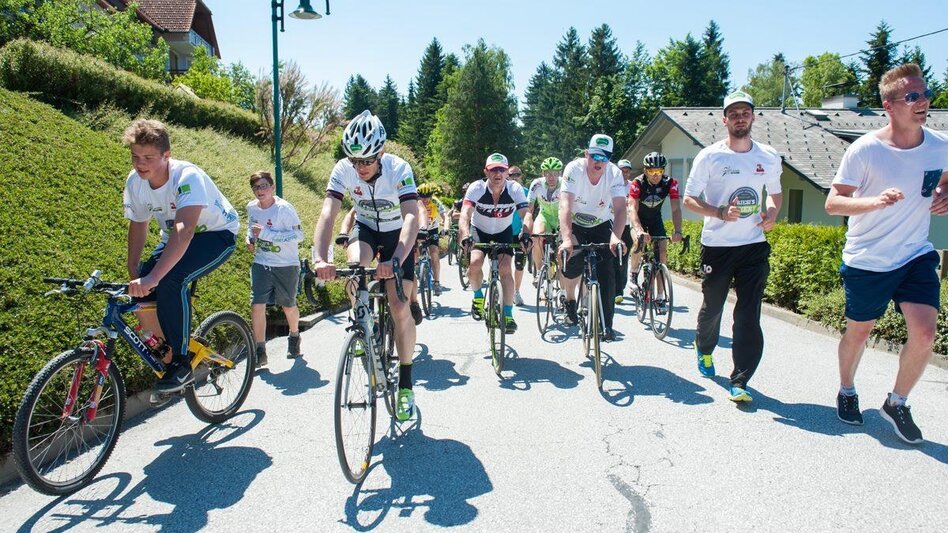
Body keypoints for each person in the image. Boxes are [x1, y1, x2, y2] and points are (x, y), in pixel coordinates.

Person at [824, 63, 948, 444]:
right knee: (859, 332)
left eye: (925, 94)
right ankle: (847, 389)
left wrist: (946, 194)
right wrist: (875, 202)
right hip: (868, 259)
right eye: (912, 96)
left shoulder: (940, 145)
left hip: (915, 254)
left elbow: (944, 180)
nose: (923, 101)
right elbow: (833, 202)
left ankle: (897, 402)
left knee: (925, 333)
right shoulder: (866, 150)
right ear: (889, 106)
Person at [311, 110, 420, 421]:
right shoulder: (343, 170)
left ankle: (406, 385)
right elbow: (328, 214)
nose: (360, 167)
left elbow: (411, 216)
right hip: (367, 228)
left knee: (399, 305)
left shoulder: (399, 168)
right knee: (355, 265)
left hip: (398, 234)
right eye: (354, 160)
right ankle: (362, 319)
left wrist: (396, 259)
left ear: (381, 153)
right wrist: (320, 258)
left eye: (367, 161)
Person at [122, 119, 239, 393]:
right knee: (143, 290)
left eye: (148, 157)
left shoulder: (187, 176)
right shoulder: (135, 182)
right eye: (135, 157)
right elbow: (138, 224)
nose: (140, 164)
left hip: (215, 234)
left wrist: (154, 277)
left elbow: (184, 231)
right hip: (174, 236)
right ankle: (168, 362)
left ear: (167, 155)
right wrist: (135, 270)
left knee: (171, 279)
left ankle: (181, 363)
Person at [683, 90, 782, 403]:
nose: (740, 118)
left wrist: (772, 214)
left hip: (753, 245)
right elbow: (689, 199)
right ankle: (704, 347)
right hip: (718, 246)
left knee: (749, 313)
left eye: (745, 113)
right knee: (713, 306)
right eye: (734, 114)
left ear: (753, 117)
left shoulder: (768, 155)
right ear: (725, 120)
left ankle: (740, 380)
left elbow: (775, 194)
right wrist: (719, 212)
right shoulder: (710, 156)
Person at [558, 134, 627, 341]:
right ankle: (570, 300)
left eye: (604, 158)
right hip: (575, 223)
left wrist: (616, 237)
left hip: (600, 223)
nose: (599, 162)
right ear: (586, 154)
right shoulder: (574, 169)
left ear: (609, 159)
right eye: (595, 156)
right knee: (572, 264)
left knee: (607, 272)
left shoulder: (614, 173)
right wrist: (567, 239)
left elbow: (620, 209)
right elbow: (565, 205)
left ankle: (606, 325)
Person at [459, 153, 531, 333]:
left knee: (506, 269)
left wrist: (526, 233)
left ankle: (508, 314)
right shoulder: (476, 188)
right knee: (475, 263)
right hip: (479, 230)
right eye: (493, 170)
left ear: (507, 172)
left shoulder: (515, 189)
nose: (497, 174)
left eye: (501, 170)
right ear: (486, 172)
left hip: (503, 232)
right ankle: (477, 296)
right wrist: (465, 235)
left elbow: (526, 214)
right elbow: (465, 214)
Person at [246, 170, 304, 367]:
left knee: (288, 305)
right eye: (256, 187)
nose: (260, 191)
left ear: (272, 187)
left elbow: (299, 236)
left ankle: (294, 335)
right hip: (262, 262)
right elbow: (251, 227)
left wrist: (267, 234)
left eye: (264, 186)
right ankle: (260, 350)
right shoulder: (252, 207)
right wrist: (250, 239)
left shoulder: (284, 209)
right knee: (257, 304)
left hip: (286, 264)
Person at [627, 153, 683, 310]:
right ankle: (632, 274)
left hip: (655, 220)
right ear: (645, 170)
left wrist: (678, 231)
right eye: (652, 171)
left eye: (659, 171)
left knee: (662, 255)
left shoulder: (670, 183)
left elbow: (676, 209)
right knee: (638, 242)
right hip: (638, 219)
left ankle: (660, 297)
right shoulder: (638, 183)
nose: (655, 175)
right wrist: (639, 230)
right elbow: (632, 208)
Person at [524, 157, 563, 280]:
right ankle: (539, 271)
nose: (551, 177)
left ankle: (562, 275)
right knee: (536, 237)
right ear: (543, 173)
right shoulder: (537, 184)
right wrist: (525, 227)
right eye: (548, 173)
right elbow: (529, 208)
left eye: (555, 173)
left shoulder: (565, 184)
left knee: (563, 245)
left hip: (561, 216)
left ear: (560, 173)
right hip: (544, 215)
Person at [417, 182, 447, 296]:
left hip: (432, 229)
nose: (425, 200)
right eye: (422, 197)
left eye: (427, 197)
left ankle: (437, 282)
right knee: (414, 250)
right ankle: (417, 267)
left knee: (434, 253)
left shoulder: (435, 202)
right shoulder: (414, 201)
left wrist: (446, 228)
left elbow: (445, 216)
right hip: (418, 228)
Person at [613, 159, 636, 304]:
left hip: (627, 226)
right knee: (614, 257)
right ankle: (617, 290)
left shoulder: (633, 186)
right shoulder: (612, 184)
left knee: (624, 257)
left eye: (627, 171)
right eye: (622, 170)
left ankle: (621, 283)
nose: (624, 173)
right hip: (613, 225)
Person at [507, 166, 530, 305]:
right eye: (511, 175)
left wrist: (526, 232)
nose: (514, 177)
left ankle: (516, 292)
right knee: (501, 262)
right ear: (507, 176)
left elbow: (529, 213)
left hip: (519, 233)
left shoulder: (526, 192)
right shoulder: (503, 190)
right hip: (504, 232)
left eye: (517, 174)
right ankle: (499, 289)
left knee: (519, 264)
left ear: (521, 176)